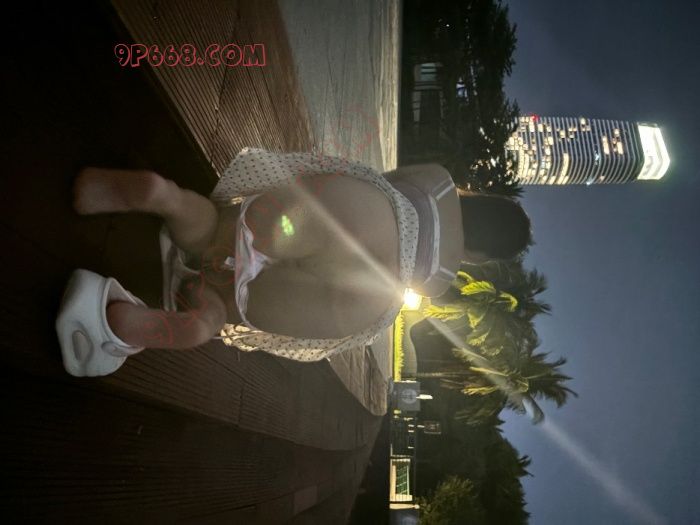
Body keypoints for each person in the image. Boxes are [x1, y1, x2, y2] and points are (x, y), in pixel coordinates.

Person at [56, 148, 530, 376]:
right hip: (366, 290)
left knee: (222, 230)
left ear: (478, 198)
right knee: (234, 304)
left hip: (353, 209)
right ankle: (195, 320)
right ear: (478, 257)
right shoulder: (444, 276)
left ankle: (166, 198)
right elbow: (419, 286)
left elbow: (388, 179)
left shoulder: (440, 178)